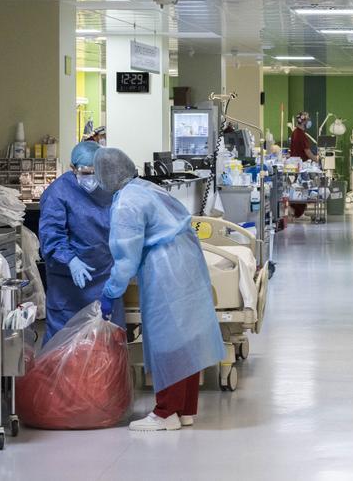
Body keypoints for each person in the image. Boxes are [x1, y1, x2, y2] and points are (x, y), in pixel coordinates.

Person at [94, 147, 226, 432]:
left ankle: (165, 413)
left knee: (169, 342)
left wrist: (110, 291)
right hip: (188, 259)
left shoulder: (126, 203)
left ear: (105, 176)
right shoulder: (147, 188)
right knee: (187, 336)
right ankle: (185, 409)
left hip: (165, 268)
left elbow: (126, 258)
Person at [38, 140, 119, 343]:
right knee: (64, 346)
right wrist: (70, 260)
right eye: (85, 172)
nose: (91, 177)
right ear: (72, 168)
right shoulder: (58, 193)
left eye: (96, 171)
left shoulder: (110, 187)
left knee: (105, 344)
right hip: (69, 283)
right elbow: (51, 235)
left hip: (105, 276)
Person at [288, 112, 317, 218]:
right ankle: (299, 214)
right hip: (300, 166)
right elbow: (308, 152)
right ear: (304, 121)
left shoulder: (295, 132)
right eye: (308, 120)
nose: (309, 122)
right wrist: (318, 160)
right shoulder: (301, 134)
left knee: (296, 190)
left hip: (295, 164)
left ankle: (296, 212)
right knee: (302, 190)